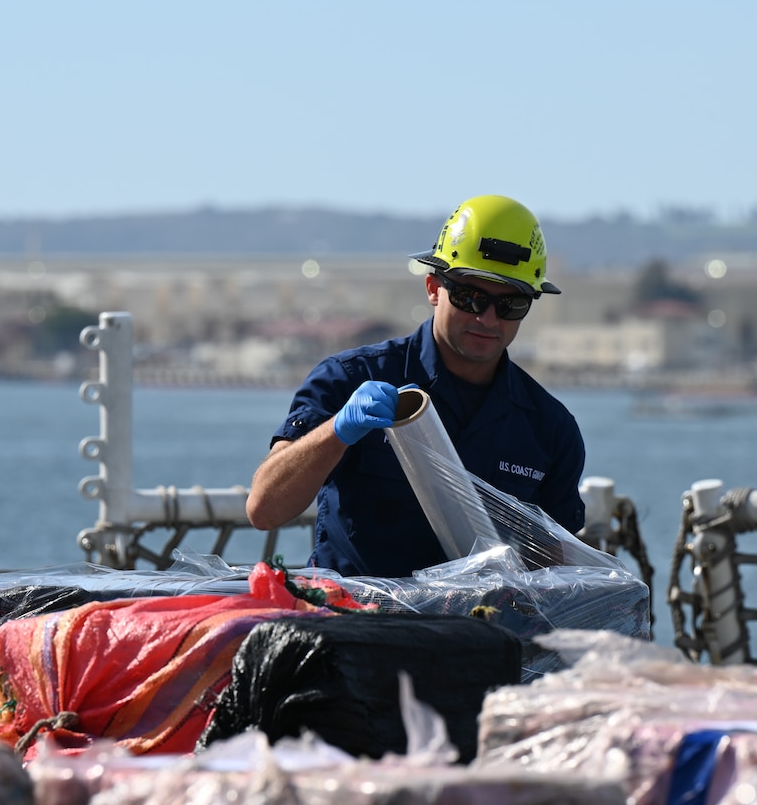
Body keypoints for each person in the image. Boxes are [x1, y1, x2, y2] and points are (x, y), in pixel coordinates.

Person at [246, 194, 586, 577]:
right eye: (470, 297)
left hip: (479, 631)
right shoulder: (349, 378)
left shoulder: (550, 429)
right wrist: (337, 432)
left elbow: (552, 570)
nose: (489, 319)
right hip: (355, 624)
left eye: (511, 305)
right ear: (432, 288)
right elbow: (264, 508)